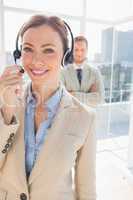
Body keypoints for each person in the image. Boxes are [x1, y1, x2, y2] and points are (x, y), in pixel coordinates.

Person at [0, 15, 96, 200]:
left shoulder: (85, 117)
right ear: (18, 54)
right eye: (28, 49)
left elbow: (86, 191)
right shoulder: (6, 103)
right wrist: (7, 112)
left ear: (65, 57)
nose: (36, 60)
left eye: (48, 50)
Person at [60, 35, 105, 107]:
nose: (79, 53)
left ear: (87, 50)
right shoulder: (63, 72)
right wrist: (89, 96)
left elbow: (100, 99)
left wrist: (73, 94)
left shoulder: (95, 72)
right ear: (71, 51)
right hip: (69, 117)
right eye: (76, 50)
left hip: (89, 117)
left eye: (82, 50)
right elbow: (61, 98)